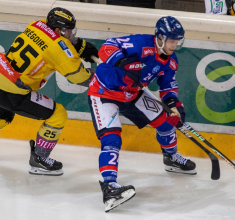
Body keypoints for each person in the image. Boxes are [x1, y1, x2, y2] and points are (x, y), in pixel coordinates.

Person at [0, 7, 99, 176]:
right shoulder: (59, 49)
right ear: (58, 30)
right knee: (58, 114)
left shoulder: (36, 25)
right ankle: (39, 159)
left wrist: (77, 44)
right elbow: (80, 77)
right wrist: (107, 76)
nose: (70, 34)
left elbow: (53, 42)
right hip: (13, 92)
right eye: (68, 30)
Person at [87, 16, 197, 212]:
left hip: (132, 94)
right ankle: (110, 187)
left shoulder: (171, 61)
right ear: (160, 37)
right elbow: (107, 47)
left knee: (166, 122)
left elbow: (168, 85)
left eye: (177, 41)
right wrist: (122, 61)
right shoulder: (140, 44)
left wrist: (174, 105)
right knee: (112, 138)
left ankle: (170, 157)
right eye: (172, 40)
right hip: (105, 92)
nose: (175, 45)